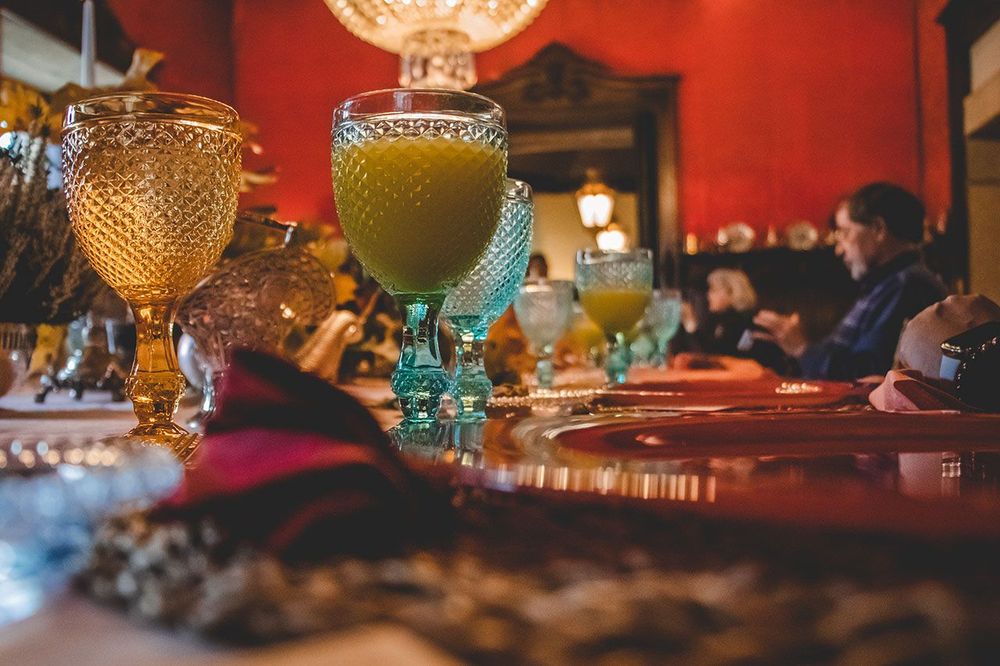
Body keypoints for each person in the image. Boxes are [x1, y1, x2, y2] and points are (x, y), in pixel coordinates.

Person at [754, 182, 947, 380]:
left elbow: (867, 376)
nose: (839, 249)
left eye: (845, 232)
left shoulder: (906, 285)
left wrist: (802, 348)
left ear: (878, 229)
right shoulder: (883, 284)